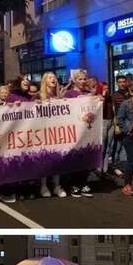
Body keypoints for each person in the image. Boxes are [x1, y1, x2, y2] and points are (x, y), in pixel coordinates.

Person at [63, 69, 95, 198]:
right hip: (74, 131)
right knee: (75, 158)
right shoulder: (69, 94)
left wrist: (97, 99)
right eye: (80, 79)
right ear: (75, 80)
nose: (82, 81)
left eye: (84, 79)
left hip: (87, 130)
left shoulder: (89, 93)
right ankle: (74, 184)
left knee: (86, 158)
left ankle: (83, 183)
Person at [37, 72, 66, 198]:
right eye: (50, 77)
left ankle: (57, 186)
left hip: (57, 132)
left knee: (57, 160)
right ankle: (43, 186)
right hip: (44, 132)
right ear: (45, 81)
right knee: (45, 160)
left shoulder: (59, 96)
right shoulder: (39, 96)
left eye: (54, 77)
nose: (53, 79)